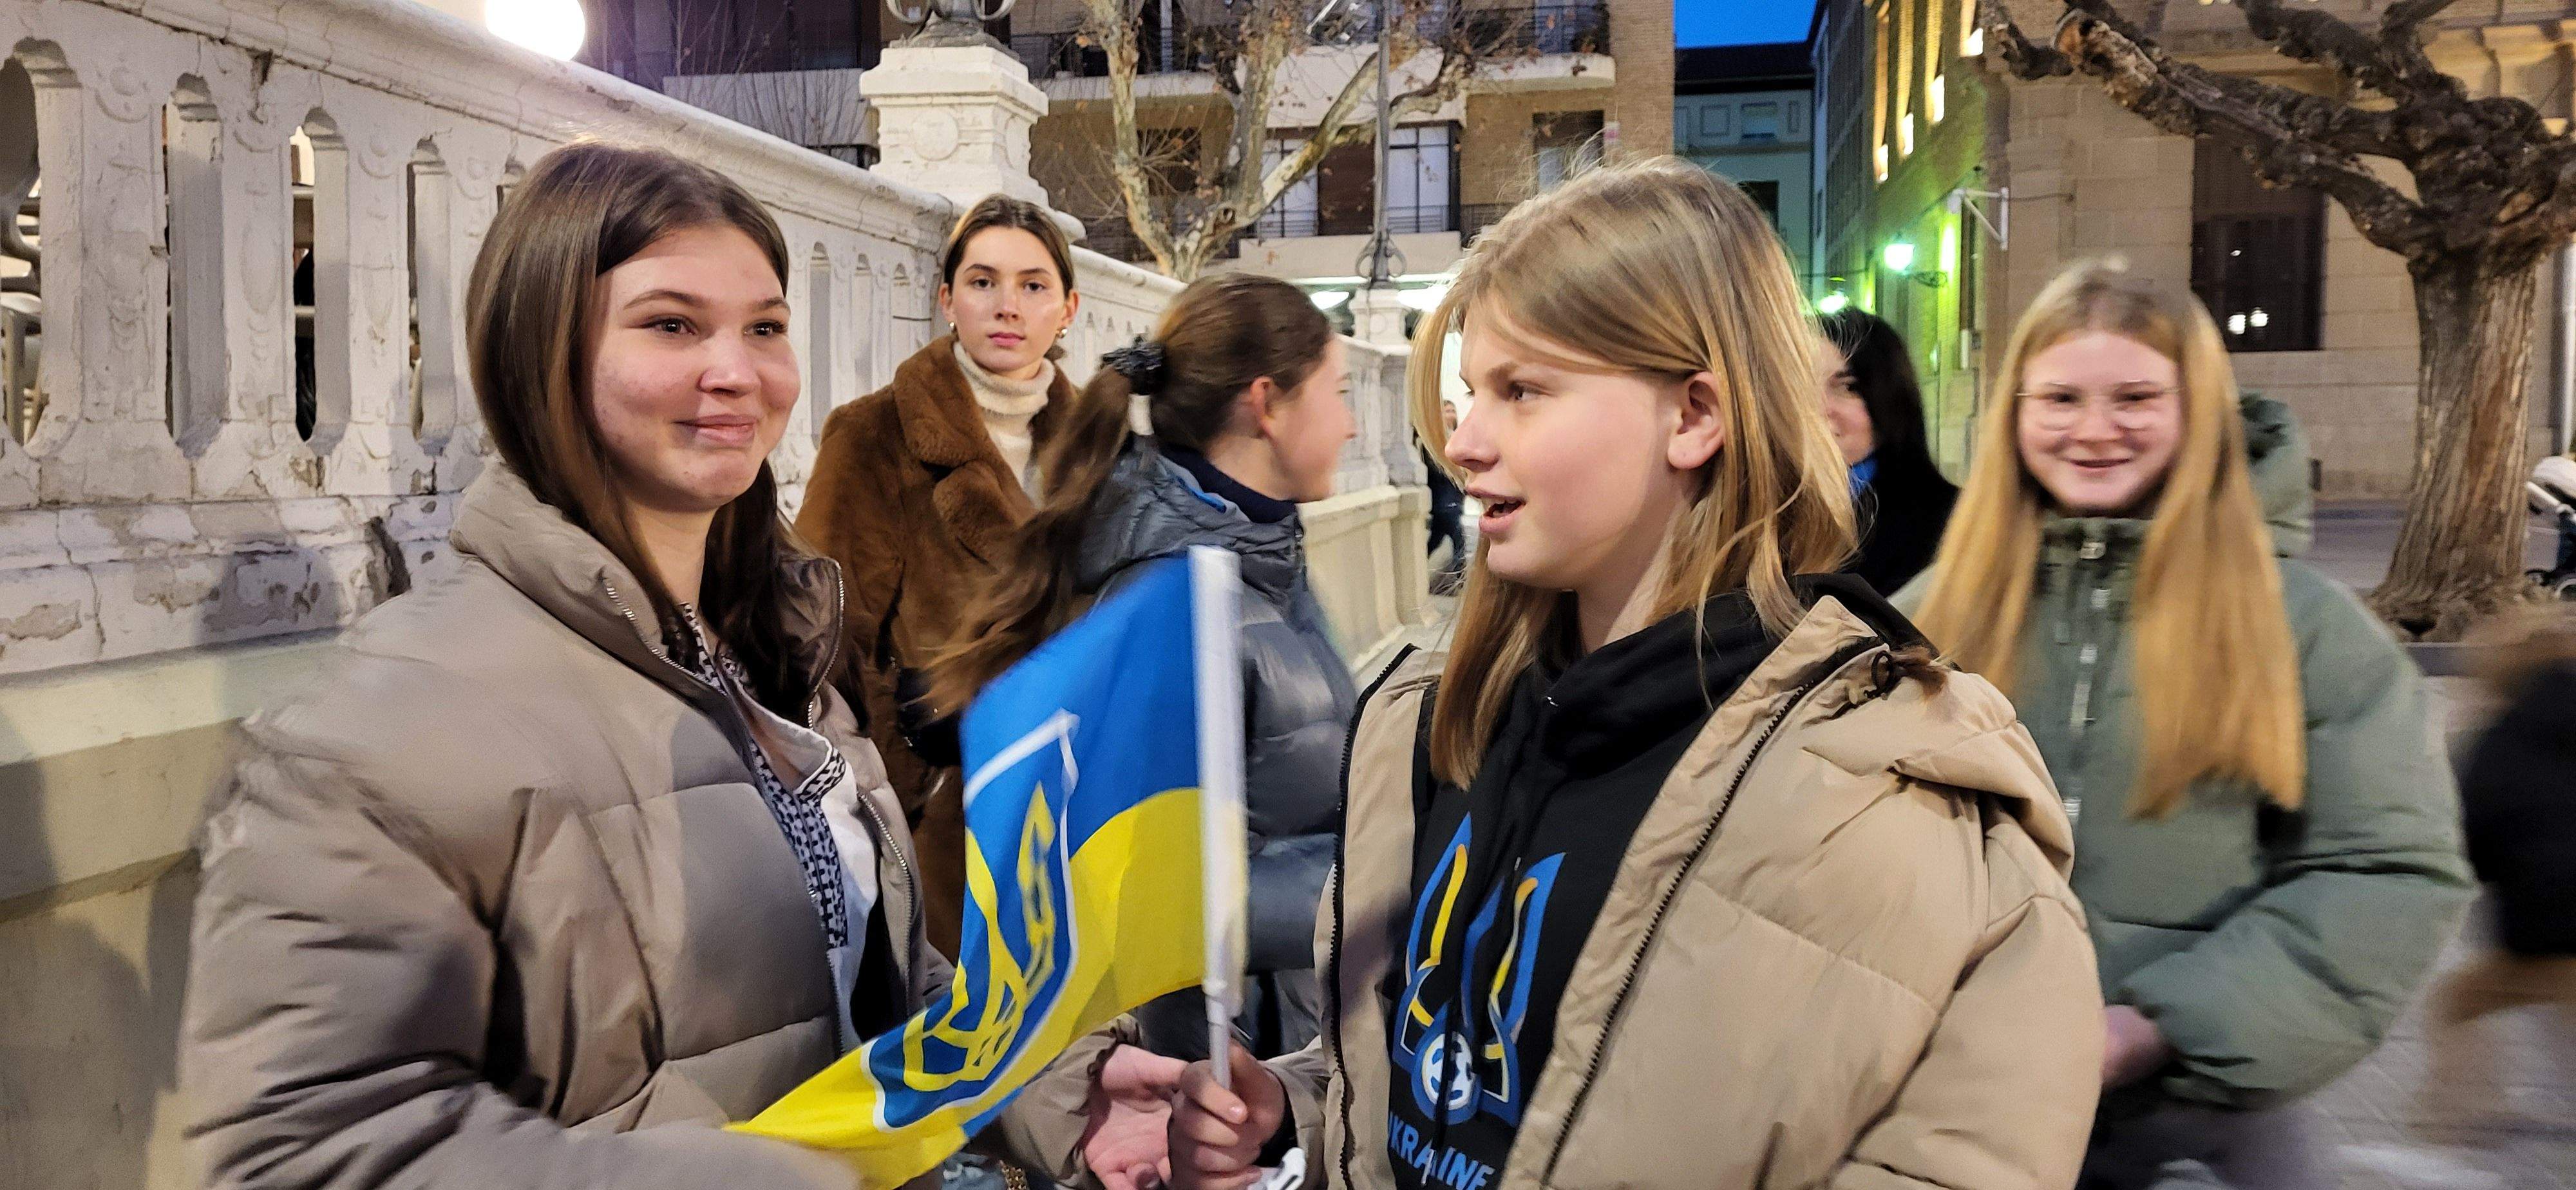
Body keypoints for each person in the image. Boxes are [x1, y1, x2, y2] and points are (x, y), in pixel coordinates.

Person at [178, 142, 1175, 1190]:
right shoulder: (382, 727)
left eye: (766, 327)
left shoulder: (775, 657)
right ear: (543, 351)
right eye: (671, 324)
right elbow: (306, 1145)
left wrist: (1055, 1088)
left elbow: (876, 978)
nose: (736, 369)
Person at [1165, 158, 2103, 1190]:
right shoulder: (1426, 727)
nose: (1465, 443)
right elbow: (1474, 1074)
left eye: (1523, 391)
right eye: (1471, 393)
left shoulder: (1923, 819)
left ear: (1695, 415)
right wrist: (1299, 1102)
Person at [1901, 260, 2473, 1189]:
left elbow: (2387, 868)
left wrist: (2149, 1030)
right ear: (2014, 414)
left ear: (2196, 409)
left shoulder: (2306, 628)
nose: (2093, 430)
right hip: (1949, 1112)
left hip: (2195, 1130)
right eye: (2060, 398)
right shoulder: (1932, 612)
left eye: (2134, 397)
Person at [925, 272, 1356, 1064]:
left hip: (1292, 1040)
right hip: (1214, 1075)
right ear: (1266, 403)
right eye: (1340, 390)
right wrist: (1385, 882)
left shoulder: (1265, 558)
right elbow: (1145, 893)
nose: (1356, 425)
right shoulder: (1175, 605)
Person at [798, 195, 1083, 958]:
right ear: (947, 298)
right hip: (940, 805)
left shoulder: (1104, 451)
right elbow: (820, 635)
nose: (1007, 306)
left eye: (1033, 285)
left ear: (1068, 309)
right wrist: (905, 758)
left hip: (1078, 797)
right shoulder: (874, 433)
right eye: (983, 281)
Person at [1819, 308, 1957, 594]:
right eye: (1798, 387)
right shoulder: (1759, 519)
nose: (1818, 408)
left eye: (1847, 387)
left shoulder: (1949, 525)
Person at [1423, 401, 1466, 591]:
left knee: (1436, 539)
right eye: (1447, 411)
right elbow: (1437, 471)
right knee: (1459, 540)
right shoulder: (1436, 441)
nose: (1452, 415)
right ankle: (1461, 580)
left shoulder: (1456, 438)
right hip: (1444, 500)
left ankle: (1418, 569)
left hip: (1452, 499)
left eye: (1453, 411)